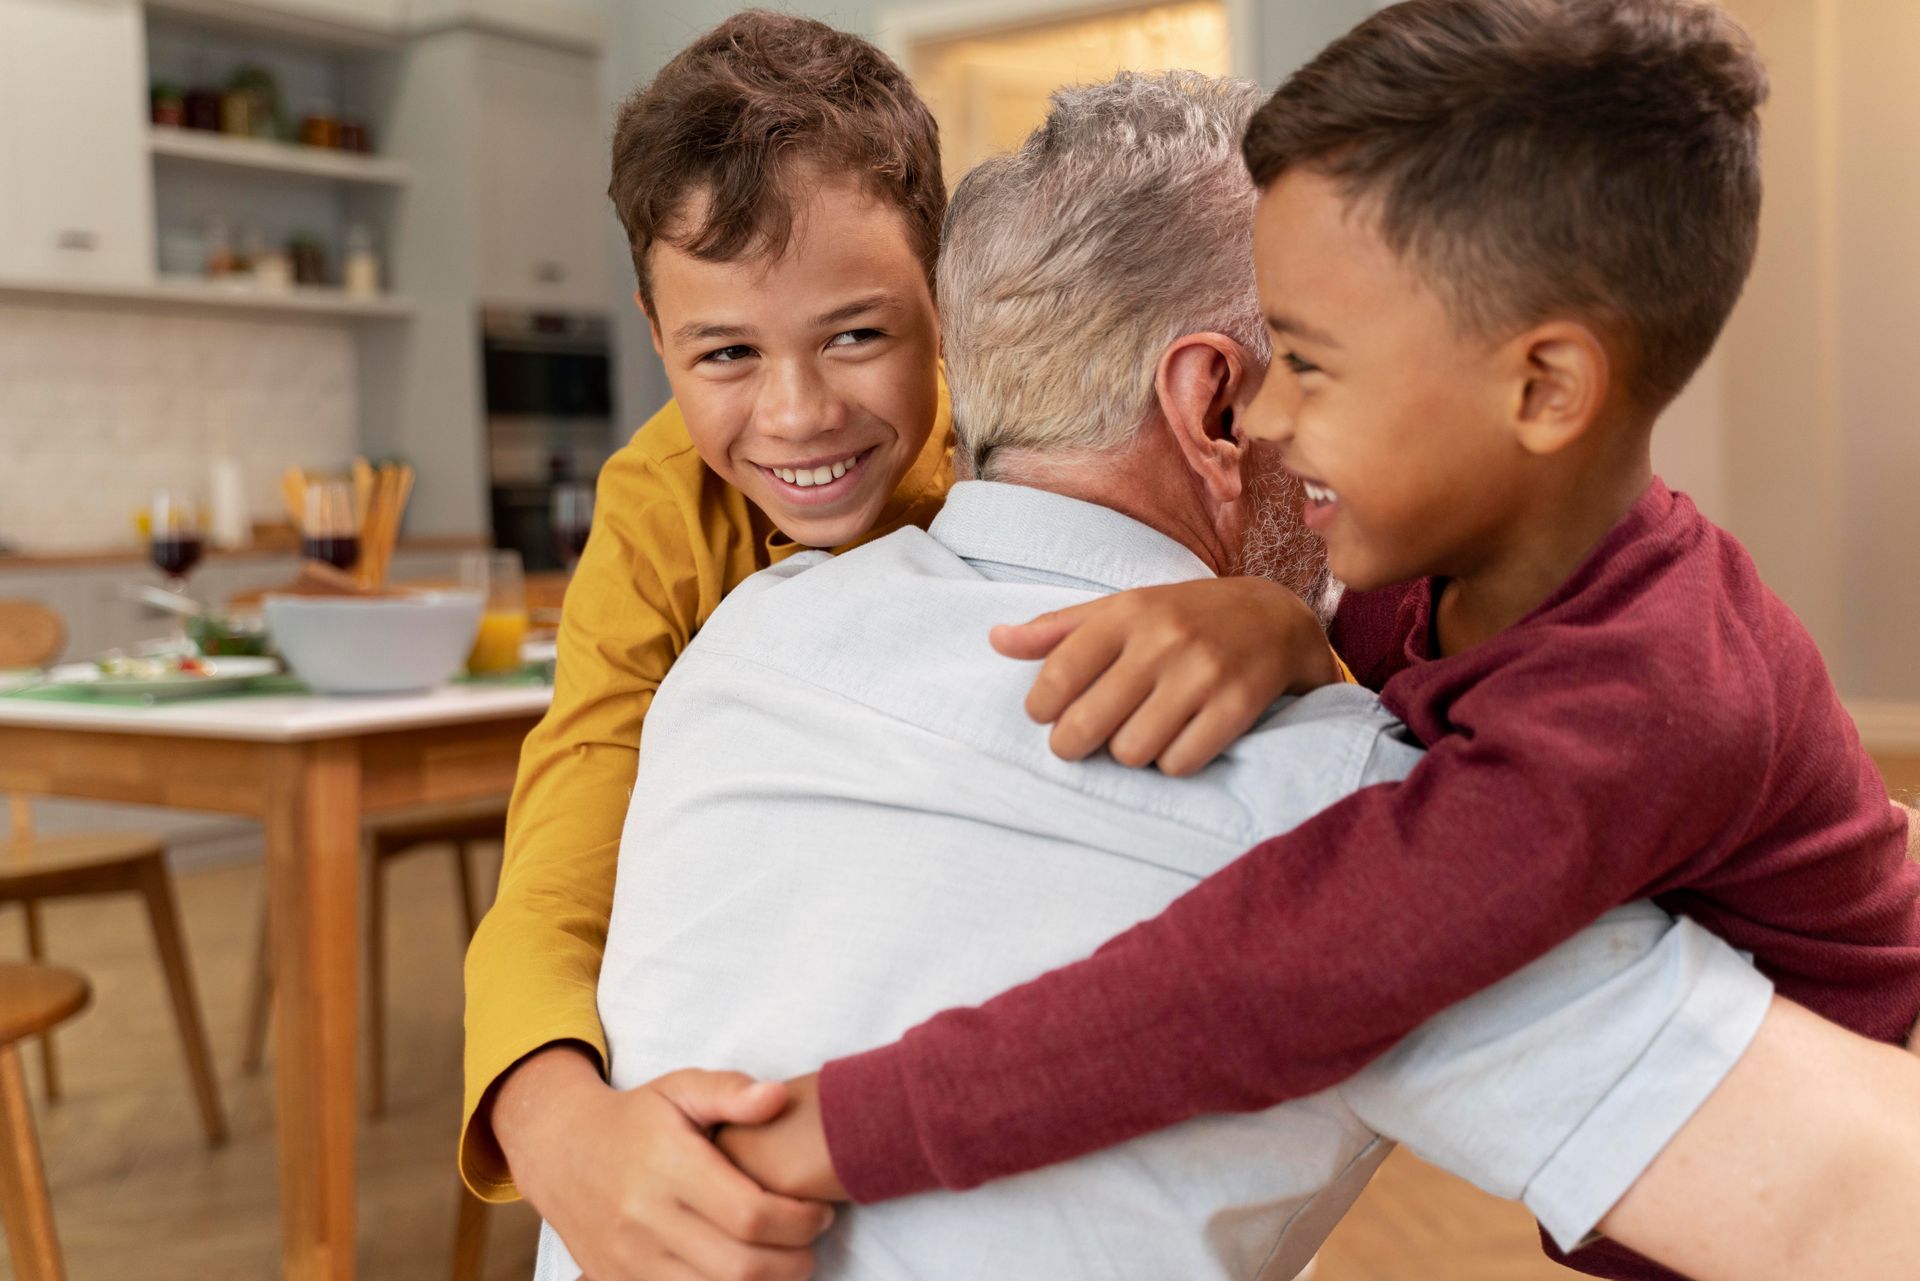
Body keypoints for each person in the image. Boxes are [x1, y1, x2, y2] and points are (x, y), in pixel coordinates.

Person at [548, 72, 1920, 1281]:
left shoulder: (738, 644)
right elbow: (1860, 1211)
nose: (1292, 425)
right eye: (1294, 368)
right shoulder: (1330, 792)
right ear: (1213, 405)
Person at [462, 6, 1335, 1257]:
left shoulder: (1025, 455)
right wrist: (554, 1128)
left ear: (949, 302)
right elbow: (566, 835)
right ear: (656, 339)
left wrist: (1277, 623)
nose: (799, 414)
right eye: (723, 353)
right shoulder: (662, 509)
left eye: (858, 335)